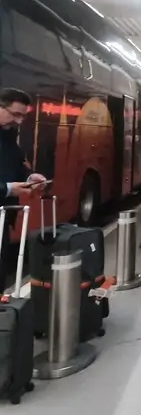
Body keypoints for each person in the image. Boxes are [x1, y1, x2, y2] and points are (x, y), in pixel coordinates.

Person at [0, 88, 47, 290]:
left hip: (3, 218)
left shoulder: (7, 136)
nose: (18, 122)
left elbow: (17, 165)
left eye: (22, 116)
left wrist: (30, 177)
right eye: (14, 114)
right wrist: (8, 189)